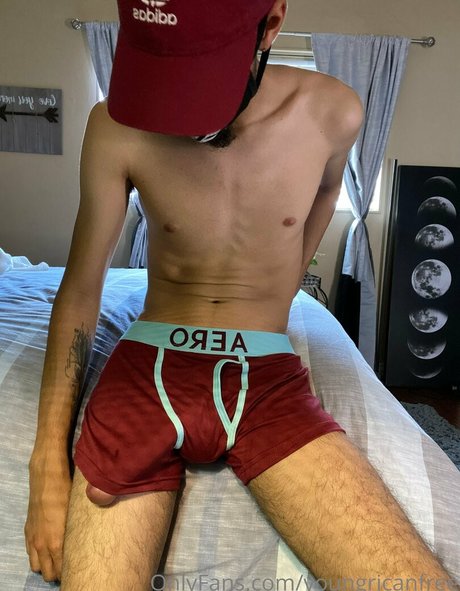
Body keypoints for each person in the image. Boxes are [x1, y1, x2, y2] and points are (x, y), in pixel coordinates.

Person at [25, 0, 459, 589]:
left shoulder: (335, 113)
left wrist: (276, 290)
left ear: (271, 23)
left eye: (198, 71)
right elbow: (80, 290)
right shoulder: (115, 122)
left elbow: (322, 197)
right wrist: (46, 469)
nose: (180, 108)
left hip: (266, 376)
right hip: (146, 369)